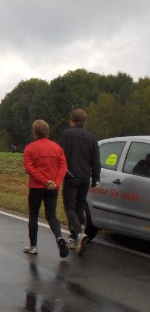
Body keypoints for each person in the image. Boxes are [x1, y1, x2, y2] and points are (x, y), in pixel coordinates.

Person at [23, 119, 69, 258]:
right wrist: (56, 182)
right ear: (47, 132)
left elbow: (29, 168)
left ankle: (33, 245)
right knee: (51, 215)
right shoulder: (57, 148)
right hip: (52, 188)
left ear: (35, 133)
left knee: (34, 215)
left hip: (36, 186)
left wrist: (44, 181)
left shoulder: (30, 148)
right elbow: (63, 167)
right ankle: (59, 237)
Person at [58, 108, 100, 256]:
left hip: (71, 176)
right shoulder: (92, 138)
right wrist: (96, 180)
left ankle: (79, 233)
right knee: (79, 206)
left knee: (69, 208)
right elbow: (96, 161)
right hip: (85, 177)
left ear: (72, 120)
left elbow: (59, 154)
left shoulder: (66, 135)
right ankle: (73, 238)